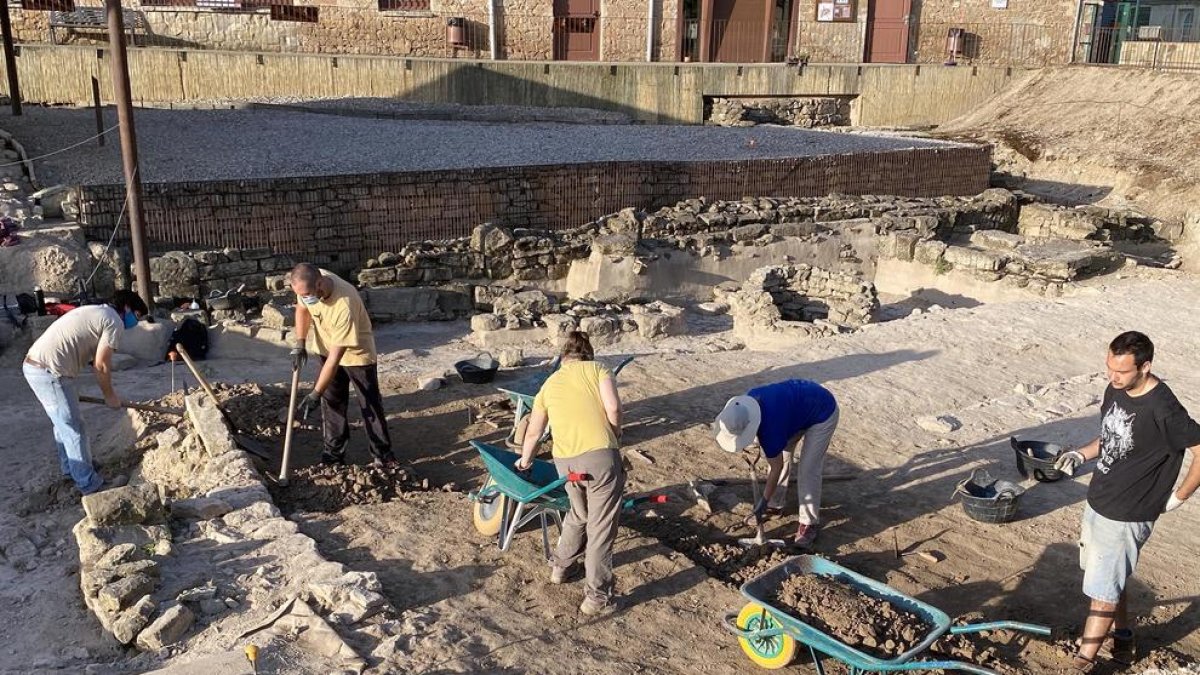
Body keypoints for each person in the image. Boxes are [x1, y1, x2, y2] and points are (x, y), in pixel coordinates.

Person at [1053, 331, 1200, 672]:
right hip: (1100, 500)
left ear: (1145, 367)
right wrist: (1080, 453)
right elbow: (1112, 436)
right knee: (1108, 579)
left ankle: (1083, 661)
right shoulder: (1116, 389)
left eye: (1120, 371)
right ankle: (1123, 639)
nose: (1112, 377)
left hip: (1129, 512)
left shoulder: (1164, 408)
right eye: (1109, 368)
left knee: (1103, 590)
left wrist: (1179, 496)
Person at [515, 331, 623, 616]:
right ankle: (596, 598)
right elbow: (612, 407)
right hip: (600, 457)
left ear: (564, 359)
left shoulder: (549, 384)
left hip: (566, 464)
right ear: (588, 355)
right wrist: (616, 436)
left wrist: (525, 461)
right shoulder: (599, 368)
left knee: (579, 513)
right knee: (600, 528)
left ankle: (561, 568)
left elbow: (535, 431)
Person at [22, 290, 147, 494]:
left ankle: (72, 469)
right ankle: (90, 484)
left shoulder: (96, 311)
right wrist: (110, 396)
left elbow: (92, 355)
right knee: (74, 427)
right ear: (127, 308)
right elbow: (102, 366)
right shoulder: (114, 320)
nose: (136, 322)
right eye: (137, 315)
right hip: (50, 371)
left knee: (63, 423)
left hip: (36, 367)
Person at [289, 263, 397, 466]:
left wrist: (315, 393)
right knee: (332, 403)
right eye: (301, 294)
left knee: (369, 404)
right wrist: (300, 343)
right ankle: (333, 454)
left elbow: (335, 359)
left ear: (320, 283)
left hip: (357, 355)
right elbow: (302, 310)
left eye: (308, 294)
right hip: (326, 347)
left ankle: (383, 455)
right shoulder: (306, 285)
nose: (306, 298)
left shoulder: (344, 303)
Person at [712, 379, 838, 548]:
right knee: (783, 456)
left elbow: (775, 468)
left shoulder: (771, 430)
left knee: (808, 469)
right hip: (794, 412)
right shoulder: (745, 404)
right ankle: (775, 505)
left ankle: (808, 523)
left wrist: (762, 501)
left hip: (822, 411)